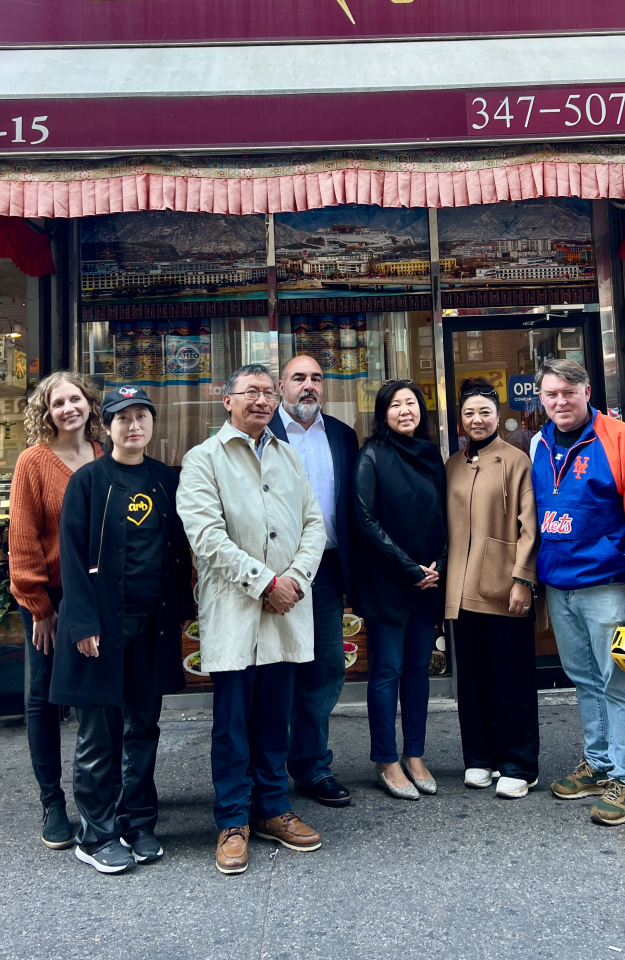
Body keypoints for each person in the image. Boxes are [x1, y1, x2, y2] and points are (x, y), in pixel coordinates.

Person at [176, 364, 327, 875]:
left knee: (273, 720)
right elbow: (206, 536)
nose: (261, 400)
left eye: (268, 392)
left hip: (286, 607)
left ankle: (273, 810)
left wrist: (296, 581)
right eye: (251, 392)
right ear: (228, 399)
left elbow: (313, 524)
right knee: (233, 724)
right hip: (238, 609)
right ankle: (233, 820)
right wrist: (265, 583)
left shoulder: (287, 457)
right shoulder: (203, 460)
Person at [50, 385, 194, 875]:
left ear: (152, 423)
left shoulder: (165, 480)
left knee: (143, 728)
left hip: (152, 625)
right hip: (101, 629)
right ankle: (96, 833)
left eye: (141, 416)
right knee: (100, 734)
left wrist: (185, 609)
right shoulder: (89, 481)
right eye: (122, 418)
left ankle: (139, 822)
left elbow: (179, 551)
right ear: (106, 426)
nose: (133, 425)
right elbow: (71, 558)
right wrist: (83, 623)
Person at [530, 358, 625, 826]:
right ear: (540, 398)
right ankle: (598, 763)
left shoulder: (622, 438)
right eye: (551, 394)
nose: (560, 401)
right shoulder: (538, 443)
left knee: (616, 682)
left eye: (568, 392)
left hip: (609, 587)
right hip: (561, 587)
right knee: (584, 679)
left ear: (586, 391)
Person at [8, 372, 104, 850]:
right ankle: (52, 801)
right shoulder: (33, 462)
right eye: (58, 402)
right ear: (46, 412)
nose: (69, 408)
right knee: (43, 695)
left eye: (76, 398)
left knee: (97, 696)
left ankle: (102, 794)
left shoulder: (105, 456)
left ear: (90, 404)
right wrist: (39, 606)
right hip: (50, 598)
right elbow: (23, 541)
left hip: (98, 596)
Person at [269, 353, 359, 808]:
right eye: (298, 378)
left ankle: (311, 766)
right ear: (281, 385)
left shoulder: (343, 436)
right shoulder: (261, 433)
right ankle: (265, 769)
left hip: (326, 571)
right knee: (276, 669)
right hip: (275, 574)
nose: (309, 385)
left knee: (325, 669)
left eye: (317, 378)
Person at [445, 379, 540, 799]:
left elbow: (530, 526)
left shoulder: (517, 460)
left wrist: (522, 578)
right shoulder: (452, 464)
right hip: (460, 589)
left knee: (512, 678)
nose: (477, 420)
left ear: (498, 416)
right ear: (460, 420)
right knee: (473, 680)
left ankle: (519, 763)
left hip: (504, 587)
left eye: (484, 412)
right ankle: (479, 758)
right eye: (469, 413)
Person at [352, 379, 446, 800]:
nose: (405, 410)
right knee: (386, 673)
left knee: (417, 672)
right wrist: (409, 568)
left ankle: (416, 754)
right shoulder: (371, 455)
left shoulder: (431, 455)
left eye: (411, 403)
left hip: (429, 582)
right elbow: (365, 519)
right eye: (396, 405)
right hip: (389, 581)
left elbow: (449, 515)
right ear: (383, 412)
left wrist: (438, 565)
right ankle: (386, 759)